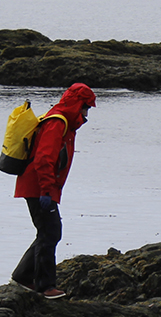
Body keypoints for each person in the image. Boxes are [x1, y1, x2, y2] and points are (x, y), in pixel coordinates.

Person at [11, 82, 97, 299]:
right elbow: (43, 159)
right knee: (50, 232)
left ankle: (22, 277)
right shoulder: (58, 122)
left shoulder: (63, 121)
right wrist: (47, 191)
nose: (87, 113)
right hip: (39, 187)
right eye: (86, 107)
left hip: (39, 186)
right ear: (78, 104)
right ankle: (45, 287)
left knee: (48, 232)